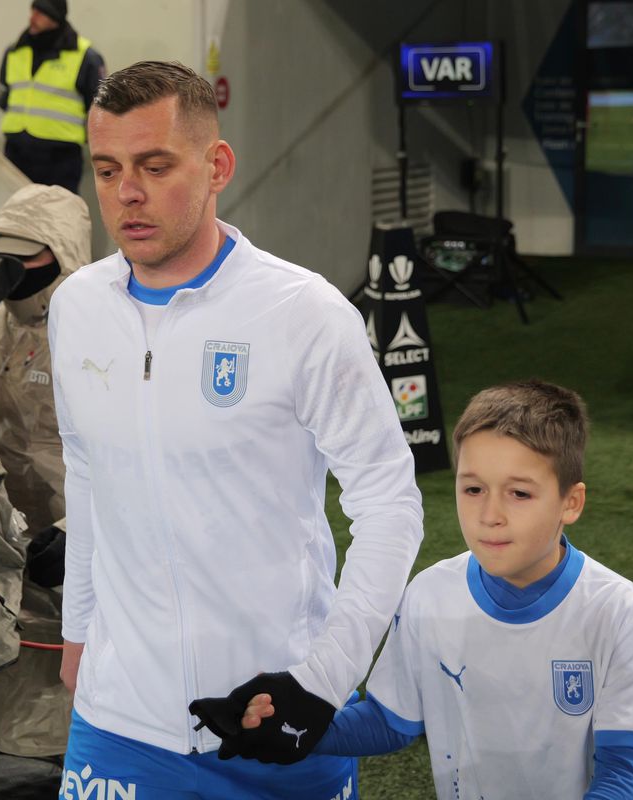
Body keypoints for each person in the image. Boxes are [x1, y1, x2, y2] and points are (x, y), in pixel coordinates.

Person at [47, 61, 423, 798]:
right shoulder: (77, 307)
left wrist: (321, 683)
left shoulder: (304, 315)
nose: (128, 193)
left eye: (156, 166)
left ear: (216, 165)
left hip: (273, 722)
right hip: (119, 722)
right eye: (108, 168)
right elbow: (87, 476)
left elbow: (390, 505)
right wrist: (78, 633)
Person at [239, 380, 633, 799]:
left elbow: (622, 774)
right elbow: (389, 722)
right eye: (473, 489)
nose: (489, 514)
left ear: (570, 503)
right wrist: (292, 728)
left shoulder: (621, 614)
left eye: (519, 493)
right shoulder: (429, 595)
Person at [0, 183, 90, 536]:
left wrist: (74, 530)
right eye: (0, 255)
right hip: (0, 529)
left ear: (66, 254)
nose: (10, 268)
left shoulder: (97, 337)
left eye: (24, 255)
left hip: (77, 537)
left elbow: (126, 461)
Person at [0, 0, 105, 194]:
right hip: (16, 151)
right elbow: (5, 94)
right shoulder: (14, 51)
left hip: (60, 158)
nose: (33, 18)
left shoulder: (84, 56)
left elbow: (101, 107)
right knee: (13, 219)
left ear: (56, 18)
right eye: (33, 11)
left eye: (41, 13)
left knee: (57, 218)